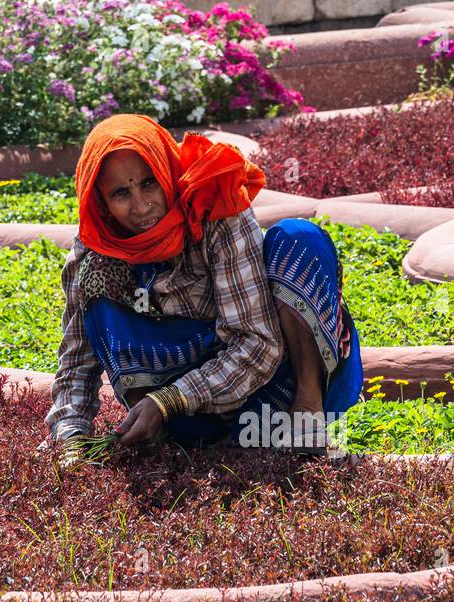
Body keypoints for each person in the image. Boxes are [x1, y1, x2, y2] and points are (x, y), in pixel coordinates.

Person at [44, 112, 363, 457]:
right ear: (103, 205)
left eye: (149, 182)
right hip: (184, 417)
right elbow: (77, 362)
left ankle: (307, 415)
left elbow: (258, 344)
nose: (141, 205)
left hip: (272, 394)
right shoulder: (97, 244)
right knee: (94, 272)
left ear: (167, 171)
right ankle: (156, 438)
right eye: (121, 193)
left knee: (299, 238)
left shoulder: (214, 204)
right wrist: (70, 435)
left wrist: (170, 399)